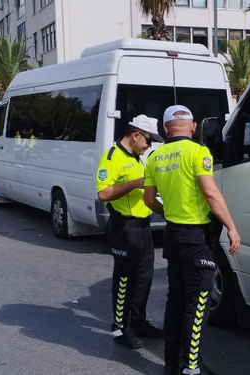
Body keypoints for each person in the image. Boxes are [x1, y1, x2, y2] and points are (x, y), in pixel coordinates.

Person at [144, 105, 241, 375]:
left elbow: (149, 200)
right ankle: (192, 368)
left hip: (173, 235)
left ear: (165, 129)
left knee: (175, 300)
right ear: (193, 126)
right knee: (197, 303)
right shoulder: (198, 152)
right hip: (195, 238)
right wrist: (231, 226)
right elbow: (210, 193)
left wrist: (171, 214)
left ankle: (171, 364)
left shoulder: (155, 156)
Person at [96, 115, 165, 349]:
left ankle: (138, 321)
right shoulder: (112, 157)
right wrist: (134, 184)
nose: (150, 146)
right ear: (136, 135)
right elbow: (103, 193)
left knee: (144, 278)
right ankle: (120, 327)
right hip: (124, 228)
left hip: (144, 227)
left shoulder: (137, 157)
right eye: (148, 141)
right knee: (125, 279)